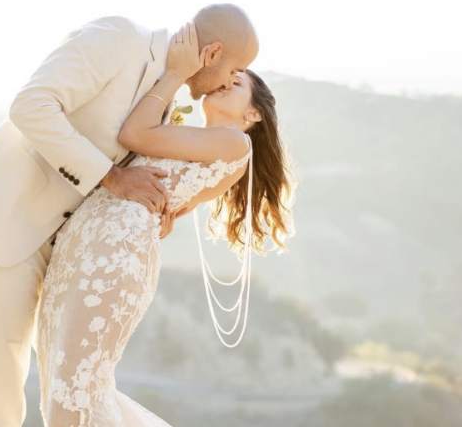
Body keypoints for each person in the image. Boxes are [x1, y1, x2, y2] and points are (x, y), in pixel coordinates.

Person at [0, 3, 258, 427]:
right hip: (4, 227)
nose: (233, 79)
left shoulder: (170, 96)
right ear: (212, 53)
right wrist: (112, 178)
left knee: (67, 385)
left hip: (71, 254)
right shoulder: (119, 38)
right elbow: (31, 106)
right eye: (237, 68)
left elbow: (140, 163)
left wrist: (153, 205)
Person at [36, 22, 292, 426]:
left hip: (113, 256)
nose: (228, 81)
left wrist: (174, 74)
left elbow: (135, 134)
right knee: (64, 382)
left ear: (253, 112)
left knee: (76, 387)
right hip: (83, 245)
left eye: (238, 81)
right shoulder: (191, 139)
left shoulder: (234, 143)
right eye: (228, 75)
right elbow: (172, 206)